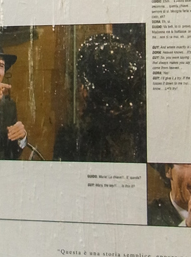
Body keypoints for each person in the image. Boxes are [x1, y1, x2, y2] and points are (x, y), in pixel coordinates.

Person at [53, 33, 146, 162]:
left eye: (82, 83)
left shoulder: (71, 140)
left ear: (85, 92)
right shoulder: (140, 138)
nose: (80, 89)